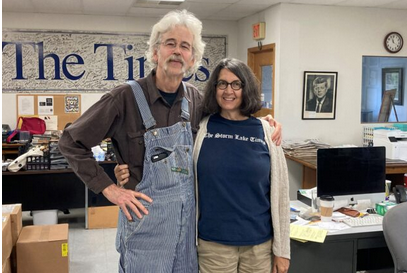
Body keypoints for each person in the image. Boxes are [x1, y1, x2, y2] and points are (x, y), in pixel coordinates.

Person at [59, 10, 283, 273]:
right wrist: (110, 189)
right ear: (156, 52)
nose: (177, 51)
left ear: (193, 59)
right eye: (170, 43)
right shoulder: (123, 98)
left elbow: (229, 118)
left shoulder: (196, 100)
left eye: (185, 46)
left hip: (186, 234)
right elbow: (70, 141)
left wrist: (264, 123)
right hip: (144, 232)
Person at [116, 58, 290, 273]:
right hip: (213, 245)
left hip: (259, 246)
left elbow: (281, 195)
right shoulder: (199, 126)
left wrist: (282, 250)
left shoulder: (266, 131)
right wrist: (129, 170)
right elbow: (170, 159)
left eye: (237, 84)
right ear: (214, 88)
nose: (229, 91)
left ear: (247, 89)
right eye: (222, 84)